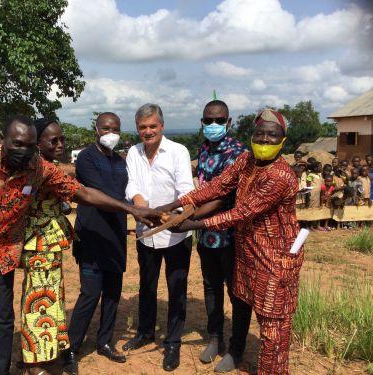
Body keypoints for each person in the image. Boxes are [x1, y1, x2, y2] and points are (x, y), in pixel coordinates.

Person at [0, 115, 160, 375]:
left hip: (5, 254)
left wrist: (131, 209)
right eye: (17, 144)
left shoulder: (40, 168)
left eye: (30, 146)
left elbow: (84, 192)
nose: (24, 151)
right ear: (2, 140)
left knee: (2, 321)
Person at [158, 108, 304, 375]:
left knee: (273, 326)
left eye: (272, 135)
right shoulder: (246, 161)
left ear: (283, 139)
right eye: (259, 133)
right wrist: (170, 205)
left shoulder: (281, 176)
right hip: (248, 251)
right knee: (241, 299)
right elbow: (217, 186)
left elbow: (242, 212)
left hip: (275, 259)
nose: (264, 139)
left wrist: (192, 224)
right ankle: (230, 347)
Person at [121, 103, 194, 372]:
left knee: (176, 289)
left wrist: (164, 213)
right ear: (138, 129)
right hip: (146, 233)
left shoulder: (178, 151)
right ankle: (145, 332)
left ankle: (173, 341)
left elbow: (187, 191)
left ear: (161, 126)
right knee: (147, 286)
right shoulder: (133, 152)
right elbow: (132, 185)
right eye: (143, 127)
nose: (148, 131)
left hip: (175, 234)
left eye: (152, 126)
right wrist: (142, 209)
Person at [65, 112, 128, 374]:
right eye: (106, 128)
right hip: (92, 234)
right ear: (96, 130)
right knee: (90, 293)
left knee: (112, 293)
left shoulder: (121, 161)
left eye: (115, 129)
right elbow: (100, 193)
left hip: (116, 235)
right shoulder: (87, 159)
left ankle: (104, 341)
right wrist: (134, 208)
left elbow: (127, 188)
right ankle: (70, 348)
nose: (110, 133)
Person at [193, 100, 251, 372]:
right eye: (208, 120)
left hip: (230, 234)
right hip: (206, 237)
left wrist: (188, 220)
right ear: (202, 122)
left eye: (219, 120)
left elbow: (222, 196)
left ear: (229, 122)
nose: (213, 125)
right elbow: (202, 186)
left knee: (237, 292)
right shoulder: (204, 148)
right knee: (210, 286)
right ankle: (215, 337)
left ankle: (236, 348)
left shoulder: (239, 153)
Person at [20, 118, 73, 375]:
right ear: (38, 143)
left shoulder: (46, 166)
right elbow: (80, 193)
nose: (60, 144)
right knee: (38, 300)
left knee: (50, 298)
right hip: (39, 243)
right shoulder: (39, 169)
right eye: (54, 140)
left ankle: (45, 354)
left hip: (48, 242)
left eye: (62, 139)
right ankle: (34, 364)